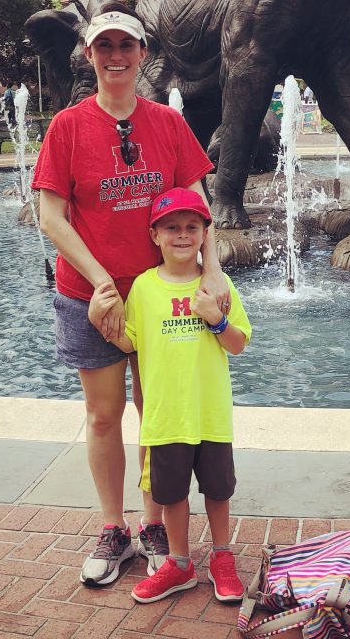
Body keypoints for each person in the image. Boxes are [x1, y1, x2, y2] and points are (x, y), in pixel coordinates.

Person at [32, 1, 229, 588]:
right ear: (89, 55)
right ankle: (113, 526)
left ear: (143, 55)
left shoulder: (167, 123)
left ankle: (152, 523)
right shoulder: (67, 126)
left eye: (127, 46)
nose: (116, 57)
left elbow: (197, 204)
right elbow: (51, 216)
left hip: (156, 296)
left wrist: (211, 271)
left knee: (156, 413)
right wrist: (99, 283)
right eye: (105, 47)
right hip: (87, 295)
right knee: (102, 415)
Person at [97, 186, 251, 604]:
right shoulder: (145, 289)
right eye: (172, 228)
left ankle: (222, 558)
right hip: (165, 418)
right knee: (171, 495)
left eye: (191, 227)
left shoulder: (216, 285)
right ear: (155, 235)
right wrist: (100, 320)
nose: (182, 235)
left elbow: (238, 344)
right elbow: (130, 344)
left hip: (210, 414)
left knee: (218, 491)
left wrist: (217, 320)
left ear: (205, 234)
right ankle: (180, 564)